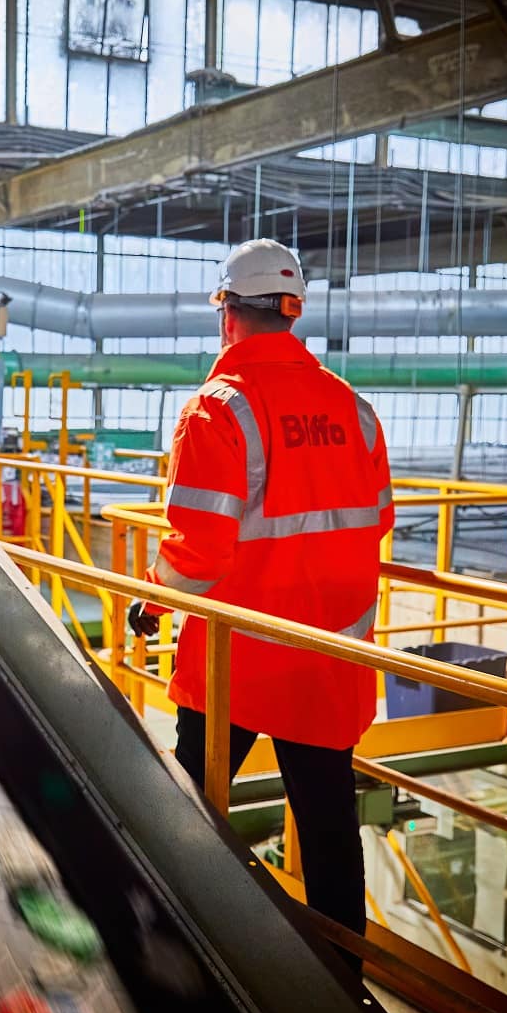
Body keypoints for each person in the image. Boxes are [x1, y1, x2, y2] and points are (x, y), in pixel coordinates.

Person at [128, 238, 393, 941]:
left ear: (227, 316)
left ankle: (172, 941)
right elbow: (379, 520)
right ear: (294, 311)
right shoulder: (356, 410)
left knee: (184, 812)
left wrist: (150, 601)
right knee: (331, 832)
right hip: (327, 661)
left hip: (237, 663)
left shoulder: (219, 410)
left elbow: (199, 550)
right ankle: (349, 986)